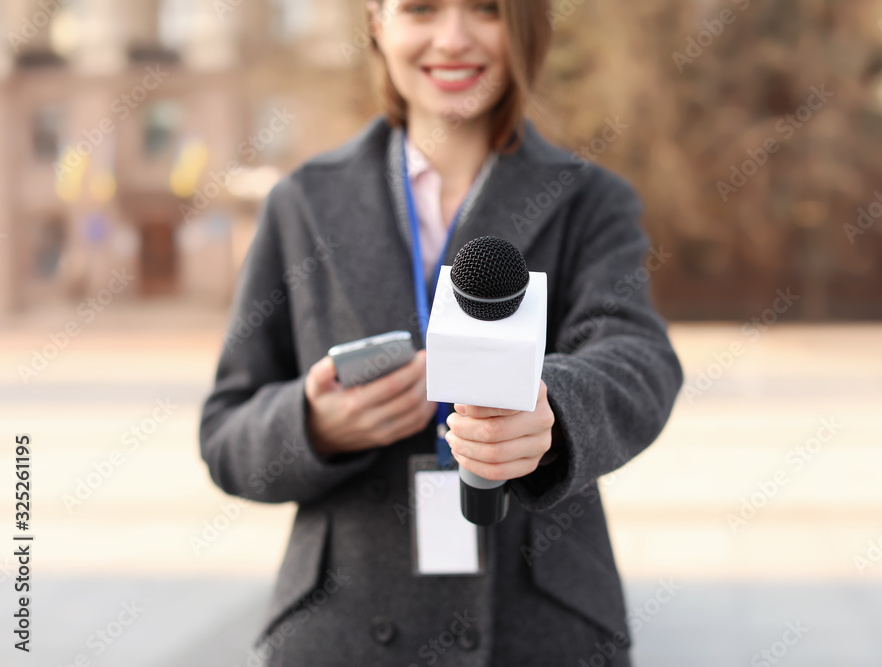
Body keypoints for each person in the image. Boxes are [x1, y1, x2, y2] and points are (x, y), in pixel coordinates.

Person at [198, 1, 683, 665]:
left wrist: (553, 413)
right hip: (345, 629)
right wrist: (314, 424)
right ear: (378, 21)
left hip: (541, 626)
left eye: (485, 8)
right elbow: (226, 432)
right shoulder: (303, 202)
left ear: (525, 25)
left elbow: (638, 358)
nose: (452, 39)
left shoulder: (589, 200)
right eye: (422, 7)